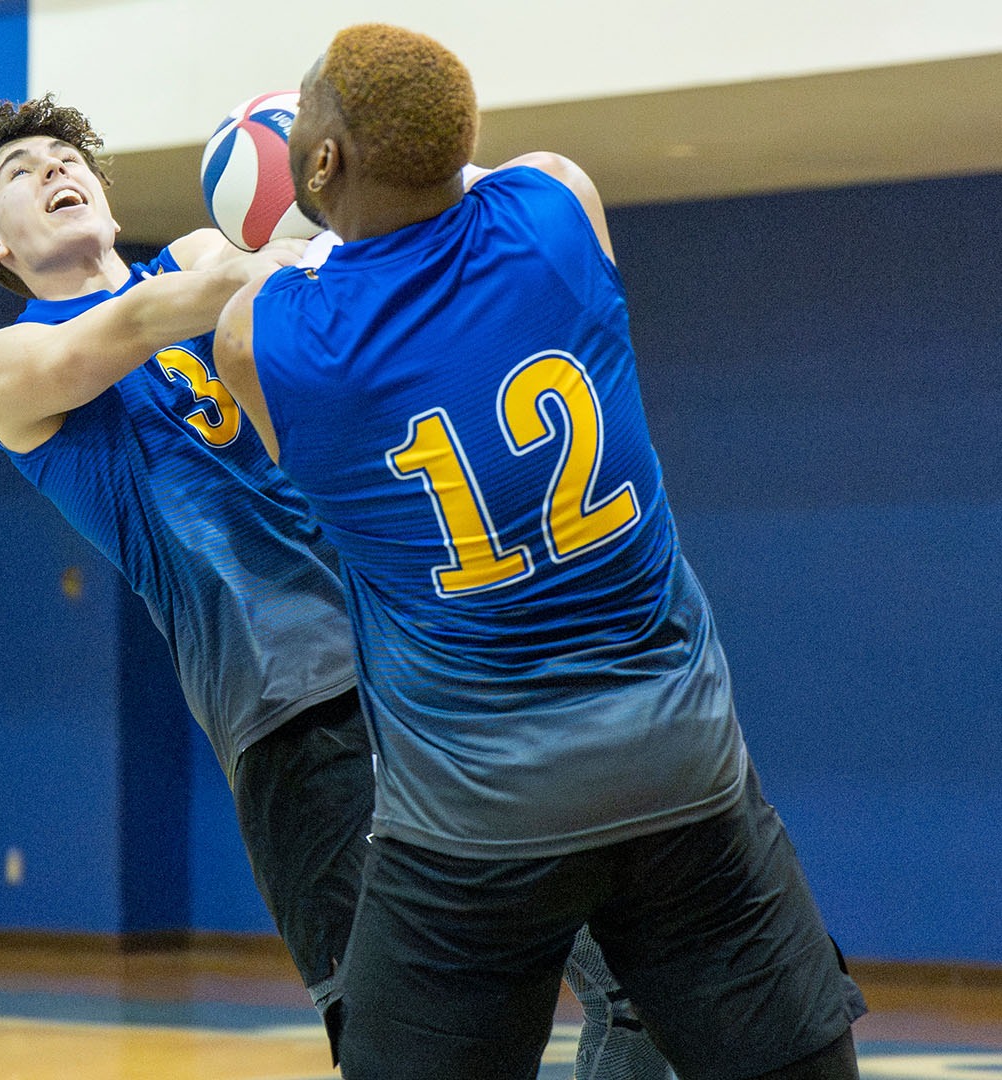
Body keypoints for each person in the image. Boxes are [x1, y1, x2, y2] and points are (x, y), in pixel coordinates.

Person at [0, 95, 671, 1077]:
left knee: (648, 987)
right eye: (21, 172)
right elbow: (131, 323)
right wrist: (309, 245)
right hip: (292, 718)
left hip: (426, 672)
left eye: (64, 157)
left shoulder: (203, 252)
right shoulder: (9, 364)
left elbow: (243, 281)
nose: (53, 170)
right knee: (406, 1048)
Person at [212, 24, 865, 1078]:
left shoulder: (269, 336)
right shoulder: (557, 206)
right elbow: (479, 171)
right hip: (678, 769)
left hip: (471, 818)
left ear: (320, 162)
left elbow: (270, 310)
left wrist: (310, 227)